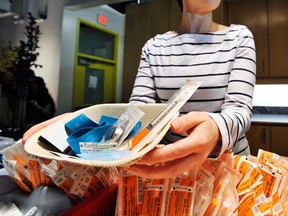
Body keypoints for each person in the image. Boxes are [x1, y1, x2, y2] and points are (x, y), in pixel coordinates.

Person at [23, 0, 256, 179]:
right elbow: (137, 113)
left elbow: (239, 110)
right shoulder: (155, 47)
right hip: (170, 168)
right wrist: (86, 123)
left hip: (229, 166)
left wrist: (215, 128)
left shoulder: (239, 37)